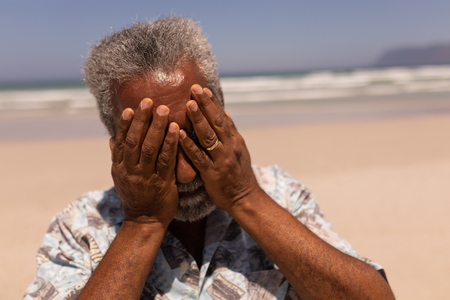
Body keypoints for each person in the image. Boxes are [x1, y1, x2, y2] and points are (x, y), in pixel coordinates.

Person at [24, 17, 395, 300]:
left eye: (196, 138)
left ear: (222, 119)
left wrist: (244, 197)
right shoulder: (80, 226)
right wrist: (143, 223)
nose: (186, 174)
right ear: (118, 149)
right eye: (160, 151)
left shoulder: (280, 194)